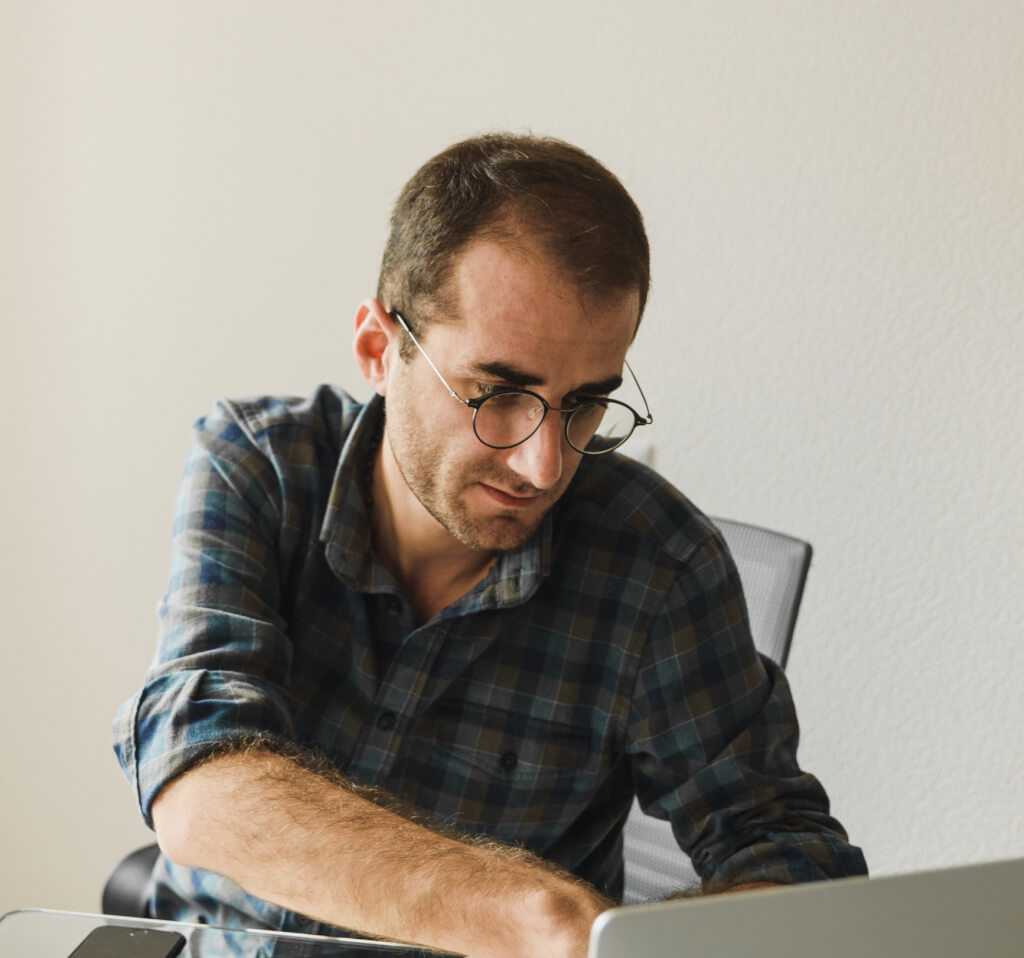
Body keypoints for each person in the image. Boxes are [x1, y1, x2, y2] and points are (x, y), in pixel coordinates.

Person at [113, 133, 866, 958]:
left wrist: (645, 943)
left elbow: (788, 853)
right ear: (378, 350)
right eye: (498, 393)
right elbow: (201, 784)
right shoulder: (259, 466)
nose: (543, 466)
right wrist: (534, 918)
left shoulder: (660, 565)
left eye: (583, 404)